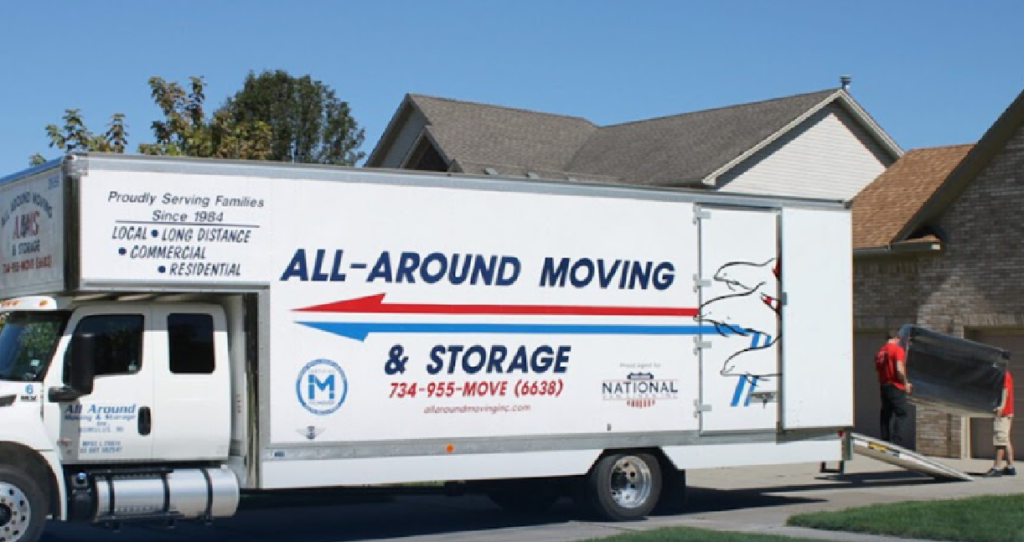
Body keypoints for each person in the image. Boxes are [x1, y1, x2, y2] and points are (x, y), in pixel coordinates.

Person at [875, 331, 912, 446]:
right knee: (902, 413)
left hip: (884, 385)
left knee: (886, 413)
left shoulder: (880, 352)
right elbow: (899, 369)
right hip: (895, 386)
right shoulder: (897, 349)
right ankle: (897, 443)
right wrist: (905, 384)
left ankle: (885, 440)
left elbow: (878, 369)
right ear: (897, 338)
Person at [985, 370, 1015, 477]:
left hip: (1003, 413)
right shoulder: (1005, 374)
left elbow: (1005, 390)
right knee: (1005, 439)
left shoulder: (1004, 375)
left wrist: (1001, 407)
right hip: (1007, 412)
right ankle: (1010, 467)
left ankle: (996, 468)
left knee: (1000, 441)